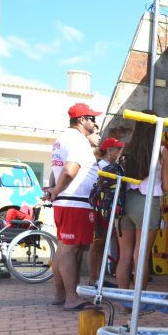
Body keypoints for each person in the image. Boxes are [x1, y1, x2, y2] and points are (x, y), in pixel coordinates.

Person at [44, 102, 101, 310]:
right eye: (91, 118)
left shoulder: (62, 139)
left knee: (63, 249)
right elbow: (69, 170)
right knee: (70, 250)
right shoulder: (77, 140)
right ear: (81, 120)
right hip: (74, 201)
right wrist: (56, 190)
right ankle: (71, 298)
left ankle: (61, 295)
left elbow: (56, 169)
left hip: (67, 201)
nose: (95, 122)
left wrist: (53, 189)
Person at [116, 111, 168, 292]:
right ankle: (138, 303)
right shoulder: (162, 151)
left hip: (124, 203)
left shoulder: (126, 148)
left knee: (124, 256)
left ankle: (125, 304)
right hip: (148, 203)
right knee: (140, 256)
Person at [89, 137, 125, 286]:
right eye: (118, 149)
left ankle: (99, 278)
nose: (120, 152)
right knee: (97, 244)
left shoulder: (114, 167)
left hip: (107, 210)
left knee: (102, 244)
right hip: (98, 211)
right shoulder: (98, 167)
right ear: (110, 150)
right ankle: (93, 279)